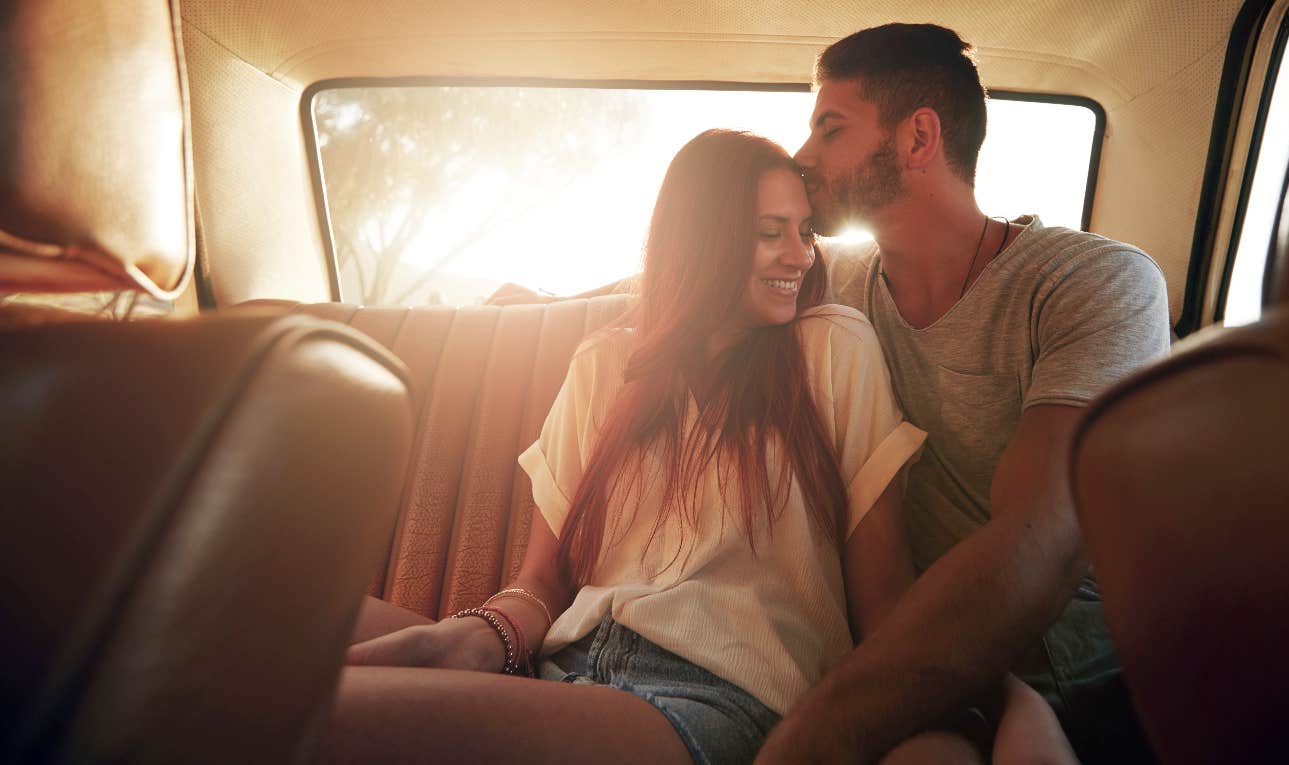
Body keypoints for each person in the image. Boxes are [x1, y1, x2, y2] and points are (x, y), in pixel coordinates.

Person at [316, 130, 940, 765]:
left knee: (305, 720)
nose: (800, 256)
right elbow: (540, 583)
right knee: (255, 628)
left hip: (714, 697)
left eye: (804, 232)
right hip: (561, 666)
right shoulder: (606, 362)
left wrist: (983, 703)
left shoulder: (834, 346)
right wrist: (480, 634)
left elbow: (886, 600)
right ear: (703, 239)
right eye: (770, 232)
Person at [754, 24, 1172, 765]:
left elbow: (1040, 540)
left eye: (831, 127)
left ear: (918, 139)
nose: (803, 156)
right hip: (907, 668)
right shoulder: (840, 280)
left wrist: (817, 731)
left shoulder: (1094, 284)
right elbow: (702, 286)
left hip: (1079, 688)